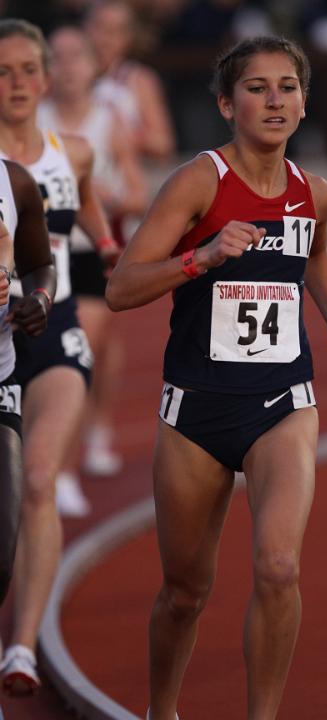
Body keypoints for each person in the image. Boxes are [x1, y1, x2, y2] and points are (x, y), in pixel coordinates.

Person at [107, 35, 327, 720]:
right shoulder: (200, 182)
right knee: (184, 594)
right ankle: (161, 710)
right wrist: (202, 258)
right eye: (257, 87)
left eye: (287, 86)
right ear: (228, 104)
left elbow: (313, 256)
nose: (275, 99)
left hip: (282, 402)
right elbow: (122, 287)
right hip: (194, 413)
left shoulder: (318, 192)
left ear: (305, 104)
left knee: (279, 566)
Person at [0, 19, 119, 695]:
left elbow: (91, 207)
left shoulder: (71, 151)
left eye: (27, 70)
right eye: (3, 71)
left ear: (47, 78)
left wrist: (106, 247)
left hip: (57, 331)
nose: (17, 84)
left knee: (40, 477)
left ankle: (21, 646)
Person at [38, 25, 148, 514]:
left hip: (91, 254)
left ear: (90, 65)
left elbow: (139, 193)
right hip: (36, 254)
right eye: (55, 58)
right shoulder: (29, 118)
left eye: (74, 57)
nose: (65, 68)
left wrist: (102, 196)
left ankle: (65, 469)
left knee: (78, 350)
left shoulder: (108, 121)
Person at [0, 159, 55, 718]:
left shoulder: (13, 182)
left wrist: (40, 301)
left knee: (0, 552)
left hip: (1, 376)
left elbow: (41, 263)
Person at [84, 0, 176, 162]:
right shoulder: (64, 76)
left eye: (116, 31)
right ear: (85, 28)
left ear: (128, 37)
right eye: (100, 27)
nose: (106, 39)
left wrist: (129, 136)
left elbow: (163, 144)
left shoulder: (139, 79)